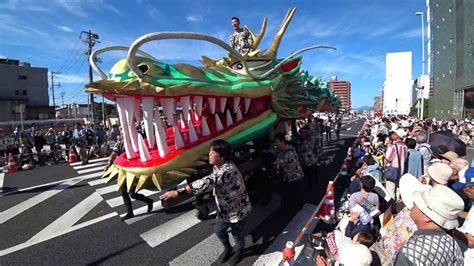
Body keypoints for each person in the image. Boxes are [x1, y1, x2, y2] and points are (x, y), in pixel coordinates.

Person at [160, 139, 251, 265]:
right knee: (219, 230)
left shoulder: (227, 170)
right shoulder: (217, 165)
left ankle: (240, 251)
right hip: (224, 208)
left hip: (237, 209)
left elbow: (207, 182)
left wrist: (178, 192)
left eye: (212, 152)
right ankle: (228, 248)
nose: (209, 154)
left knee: (237, 234)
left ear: (222, 156)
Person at [393, 184, 465, 265]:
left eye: (418, 203)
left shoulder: (410, 253)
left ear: (427, 217)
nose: (413, 203)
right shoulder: (453, 244)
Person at [105, 133, 153, 221]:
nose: (124, 134)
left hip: (134, 170)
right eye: (122, 133)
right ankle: (146, 202)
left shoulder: (134, 142)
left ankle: (131, 211)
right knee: (131, 194)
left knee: (129, 193)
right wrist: (108, 164)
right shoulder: (119, 143)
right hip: (123, 170)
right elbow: (114, 154)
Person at [274, 132, 305, 214]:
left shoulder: (290, 149)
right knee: (290, 194)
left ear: (282, 141)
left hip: (296, 175)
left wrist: (276, 162)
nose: (276, 144)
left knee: (297, 193)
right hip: (287, 176)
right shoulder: (279, 151)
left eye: (277, 142)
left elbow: (286, 160)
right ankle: (290, 208)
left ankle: (298, 208)